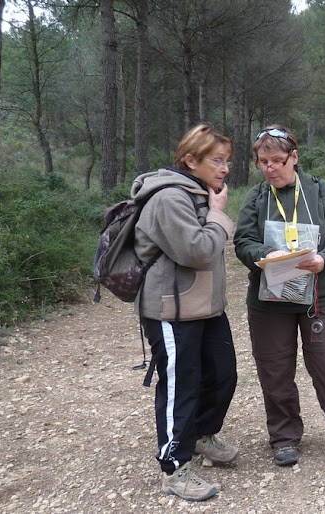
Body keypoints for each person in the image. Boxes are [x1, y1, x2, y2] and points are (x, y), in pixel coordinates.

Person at [234, 125, 325, 468]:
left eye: (277, 161)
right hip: (270, 300)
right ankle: (283, 437)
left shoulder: (319, 190)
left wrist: (324, 260)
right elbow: (242, 242)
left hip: (320, 297)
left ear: (294, 157)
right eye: (262, 162)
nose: (270, 168)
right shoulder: (256, 196)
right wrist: (266, 255)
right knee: (275, 370)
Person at [133, 124, 239, 501]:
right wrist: (219, 216)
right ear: (190, 160)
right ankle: (175, 467)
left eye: (227, 161)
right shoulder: (168, 199)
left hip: (205, 308)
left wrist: (214, 213)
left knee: (223, 374)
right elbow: (195, 251)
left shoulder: (200, 194)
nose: (225, 169)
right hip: (170, 312)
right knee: (182, 387)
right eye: (217, 160)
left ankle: (201, 436)